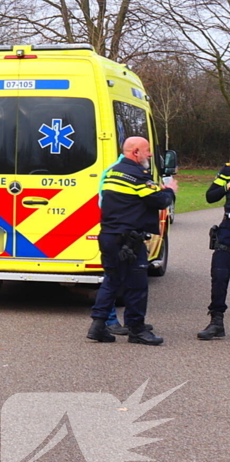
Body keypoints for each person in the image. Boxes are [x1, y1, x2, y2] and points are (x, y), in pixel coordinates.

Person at [88, 136, 177, 345]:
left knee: (111, 281)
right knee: (137, 285)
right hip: (128, 240)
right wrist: (170, 190)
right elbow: (159, 200)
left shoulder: (113, 171)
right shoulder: (136, 175)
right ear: (135, 152)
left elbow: (137, 196)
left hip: (109, 236)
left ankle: (98, 325)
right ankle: (136, 329)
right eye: (147, 150)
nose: (150, 154)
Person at [199, 162, 230, 340]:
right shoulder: (228, 171)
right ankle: (216, 322)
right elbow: (210, 197)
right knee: (219, 274)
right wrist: (227, 186)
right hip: (228, 228)